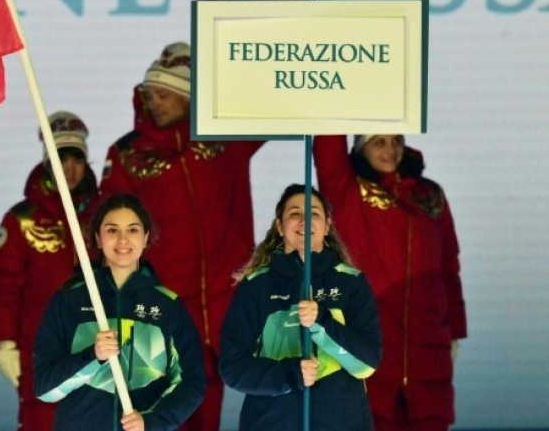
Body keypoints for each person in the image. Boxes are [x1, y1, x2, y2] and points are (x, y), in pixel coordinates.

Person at [99, 41, 263, 431]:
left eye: (163, 94)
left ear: (189, 97)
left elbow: (272, 97)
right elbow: (101, 225)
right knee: (160, 400)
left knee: (210, 400)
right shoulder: (127, 155)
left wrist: (293, 35)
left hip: (226, 300)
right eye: (149, 94)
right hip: (165, 303)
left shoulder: (226, 141)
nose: (154, 102)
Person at [313, 135, 466, 431]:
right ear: (360, 148)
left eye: (395, 140)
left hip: (427, 347)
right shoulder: (347, 192)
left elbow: (449, 269)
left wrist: (454, 333)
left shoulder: (430, 196)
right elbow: (327, 147)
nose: (390, 150)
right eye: (378, 142)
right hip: (372, 345)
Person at [33, 193, 206, 431]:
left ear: (145, 238)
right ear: (98, 238)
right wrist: (92, 356)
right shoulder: (69, 300)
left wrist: (151, 422)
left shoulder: (168, 306)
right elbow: (45, 389)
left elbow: (192, 383)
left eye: (132, 230)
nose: (123, 239)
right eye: (112, 230)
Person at [218, 184, 382, 431]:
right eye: (295, 213)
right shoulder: (257, 285)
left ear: (327, 226)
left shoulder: (351, 282)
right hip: (270, 423)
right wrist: (290, 373)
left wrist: (322, 322)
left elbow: (366, 363)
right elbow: (233, 368)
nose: (304, 221)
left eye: (313, 214)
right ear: (280, 226)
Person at [0, 111, 100, 431]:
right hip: (41, 349)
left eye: (77, 159)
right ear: (48, 162)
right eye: (61, 158)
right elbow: (2, 286)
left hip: (99, 347)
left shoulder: (105, 215)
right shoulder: (22, 220)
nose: (70, 168)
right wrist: (4, 341)